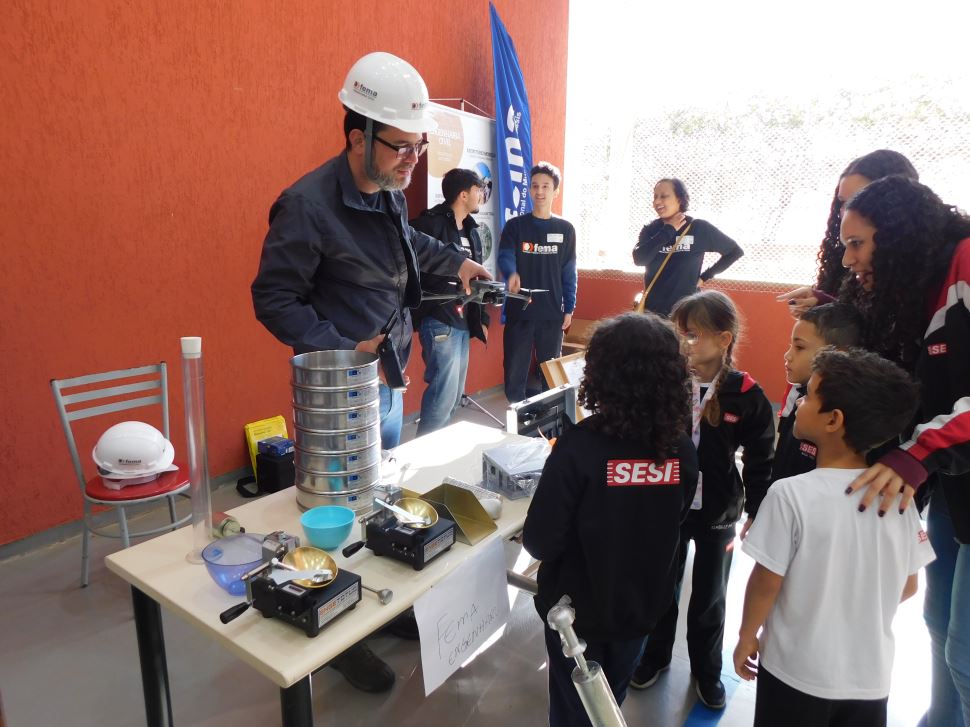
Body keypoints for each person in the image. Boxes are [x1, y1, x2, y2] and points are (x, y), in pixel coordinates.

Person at [250, 51, 490, 694]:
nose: (415, 161)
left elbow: (412, 246)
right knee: (333, 512)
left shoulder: (383, 191)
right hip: (338, 390)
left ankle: (374, 606)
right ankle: (331, 632)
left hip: (385, 376)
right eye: (403, 147)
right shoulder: (305, 206)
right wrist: (339, 353)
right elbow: (273, 298)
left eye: (418, 147)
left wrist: (458, 266)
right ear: (358, 137)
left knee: (371, 501)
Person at [829, 176, 970, 726]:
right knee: (937, 623)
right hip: (957, 485)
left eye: (858, 243)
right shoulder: (920, 286)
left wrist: (920, 451)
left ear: (899, 235)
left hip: (950, 464)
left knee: (964, 652)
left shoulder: (965, 264)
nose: (848, 259)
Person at [734, 348, 934, 727]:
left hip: (795, 672)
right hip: (870, 679)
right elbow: (908, 586)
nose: (799, 400)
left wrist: (747, 633)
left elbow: (765, 582)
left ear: (833, 420)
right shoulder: (897, 497)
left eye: (808, 394)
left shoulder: (790, 493)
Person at [522, 312, 699, 727]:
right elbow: (675, 516)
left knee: (574, 710)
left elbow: (541, 542)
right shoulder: (680, 450)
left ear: (599, 374)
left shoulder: (578, 449)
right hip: (640, 609)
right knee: (608, 703)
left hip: (575, 615)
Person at [630, 290, 775, 709]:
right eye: (679, 334)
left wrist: (757, 510)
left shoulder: (745, 394)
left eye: (693, 335)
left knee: (710, 598)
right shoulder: (666, 384)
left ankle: (707, 672)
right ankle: (653, 657)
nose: (683, 343)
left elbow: (761, 460)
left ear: (725, 338)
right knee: (661, 589)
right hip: (667, 509)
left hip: (717, 515)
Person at [742, 303, 862, 535]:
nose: (787, 355)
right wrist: (760, 511)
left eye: (799, 347)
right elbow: (782, 461)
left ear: (837, 353)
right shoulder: (796, 392)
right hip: (783, 515)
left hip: (814, 528)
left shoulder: (846, 413)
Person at [777, 150, 919, 316]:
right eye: (843, 202)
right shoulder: (849, 265)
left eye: (859, 200)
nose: (847, 212)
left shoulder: (924, 273)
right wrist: (825, 306)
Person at [410, 168, 489, 435]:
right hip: (439, 318)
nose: (482, 196)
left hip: (463, 321)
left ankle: (436, 452)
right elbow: (412, 270)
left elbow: (477, 277)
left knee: (454, 396)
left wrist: (483, 318)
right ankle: (424, 458)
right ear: (464, 194)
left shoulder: (472, 230)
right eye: (479, 190)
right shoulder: (428, 225)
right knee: (442, 395)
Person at [498, 161, 578, 403]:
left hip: (551, 312)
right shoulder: (515, 226)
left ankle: (547, 427)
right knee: (514, 373)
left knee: (550, 375)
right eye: (535, 186)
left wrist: (570, 306)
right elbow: (505, 254)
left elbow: (569, 271)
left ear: (556, 191)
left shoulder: (565, 229)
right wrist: (510, 273)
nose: (540, 191)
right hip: (519, 311)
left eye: (546, 186)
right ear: (530, 190)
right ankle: (515, 428)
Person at [632, 178, 743, 317]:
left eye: (664, 196)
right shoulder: (650, 230)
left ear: (680, 199)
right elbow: (639, 260)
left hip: (688, 312)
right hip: (654, 312)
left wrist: (705, 276)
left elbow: (734, 252)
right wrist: (668, 230)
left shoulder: (699, 228)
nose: (656, 201)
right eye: (655, 197)